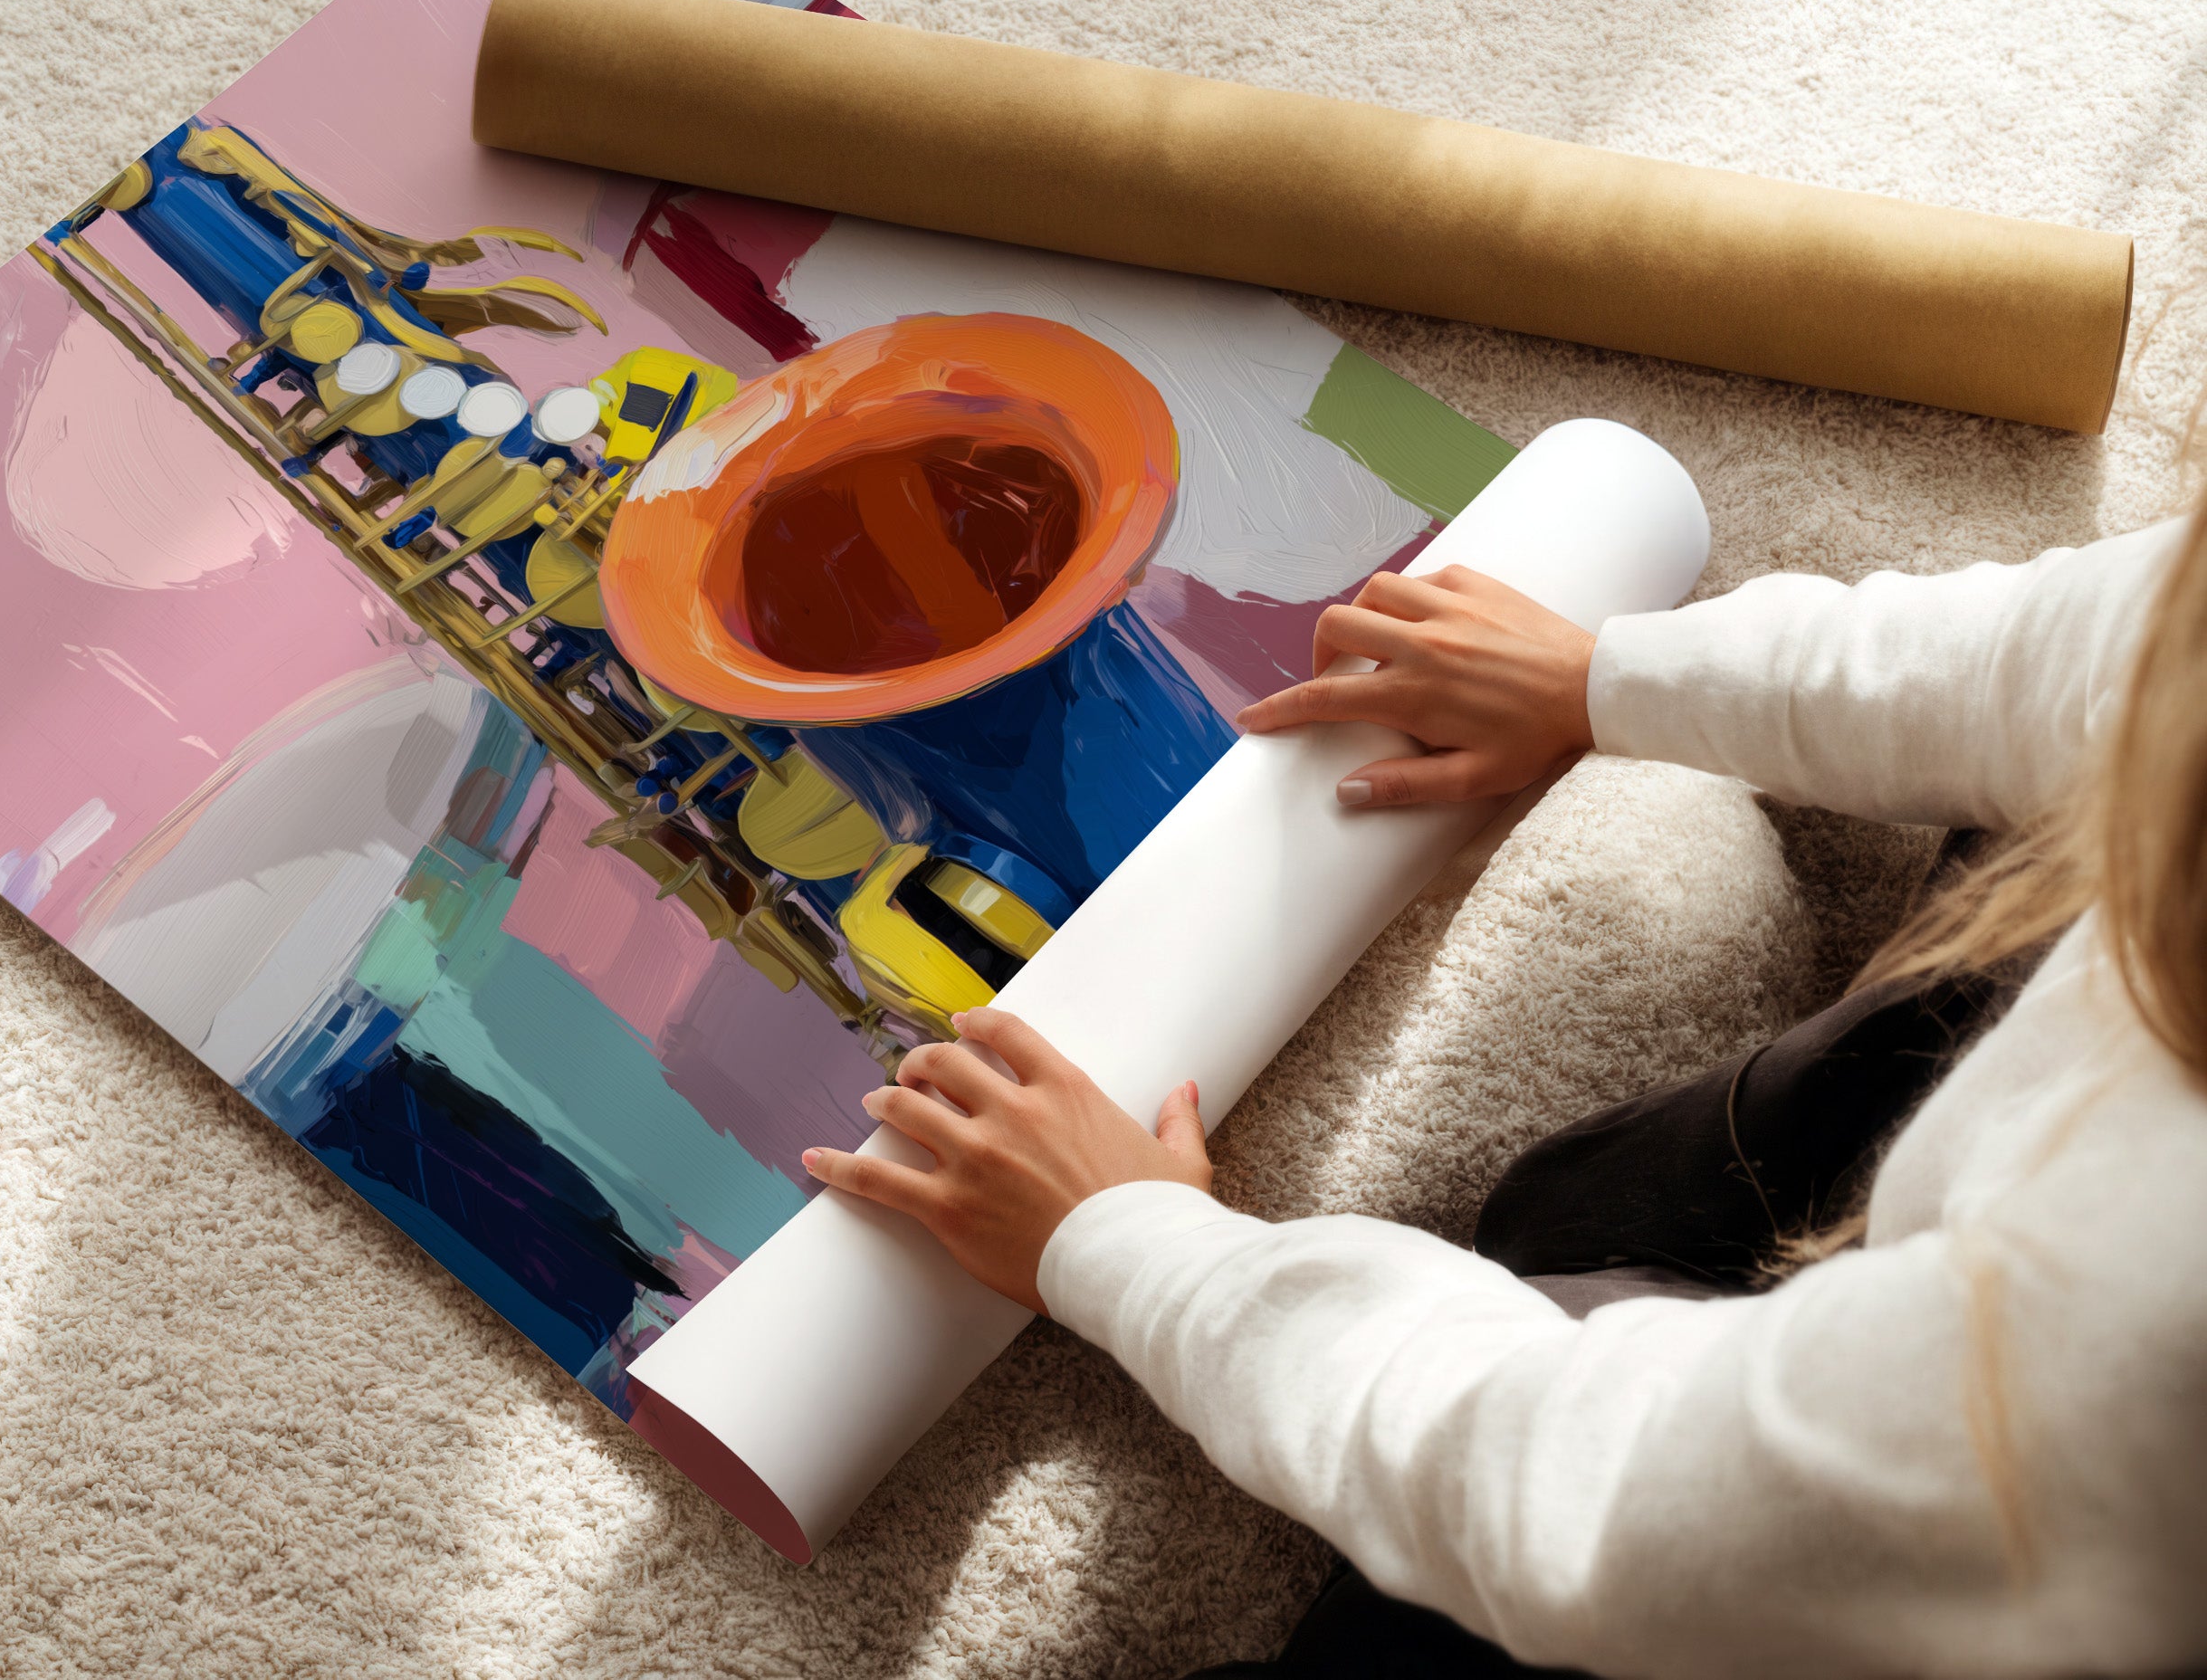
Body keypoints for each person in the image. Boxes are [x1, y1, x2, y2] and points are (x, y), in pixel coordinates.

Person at [802, 502, 2207, 1678]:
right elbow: (2096, 647)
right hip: (2019, 1270)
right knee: (1578, 1213)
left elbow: (1599, 1500)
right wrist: (1606, 676)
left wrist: (1133, 1248)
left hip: (2015, 1551)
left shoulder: (2140, 1332)